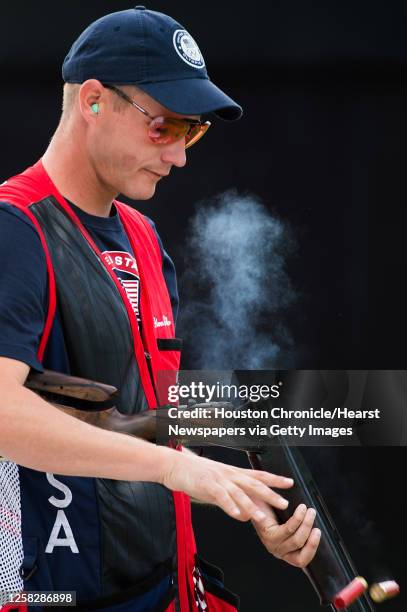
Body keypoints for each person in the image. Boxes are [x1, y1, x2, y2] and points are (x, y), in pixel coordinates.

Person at [0, 7, 321, 611]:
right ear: (93, 101)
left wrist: (234, 492)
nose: (179, 157)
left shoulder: (143, 237)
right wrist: (177, 472)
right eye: (165, 127)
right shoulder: (13, 227)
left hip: (165, 590)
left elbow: (134, 425)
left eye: (192, 132)